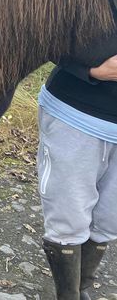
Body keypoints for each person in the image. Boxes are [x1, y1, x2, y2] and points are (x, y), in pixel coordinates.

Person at [37, 54, 117, 300]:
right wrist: (86, 68)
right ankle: (67, 295)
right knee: (67, 218)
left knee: (109, 219)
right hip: (76, 115)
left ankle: (81, 288)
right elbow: (44, 30)